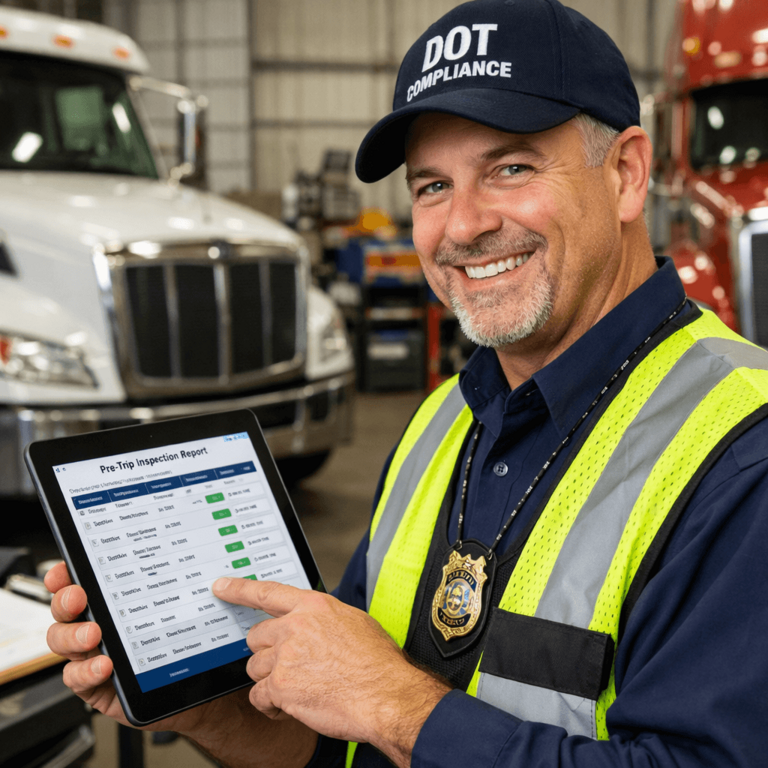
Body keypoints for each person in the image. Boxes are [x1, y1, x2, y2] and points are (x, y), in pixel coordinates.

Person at [45, 0, 768, 766]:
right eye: (431, 186)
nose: (462, 226)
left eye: (511, 168)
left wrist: (399, 704)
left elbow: (386, 708)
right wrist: (214, 711)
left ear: (626, 174)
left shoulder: (741, 453)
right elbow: (341, 738)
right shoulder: (442, 423)